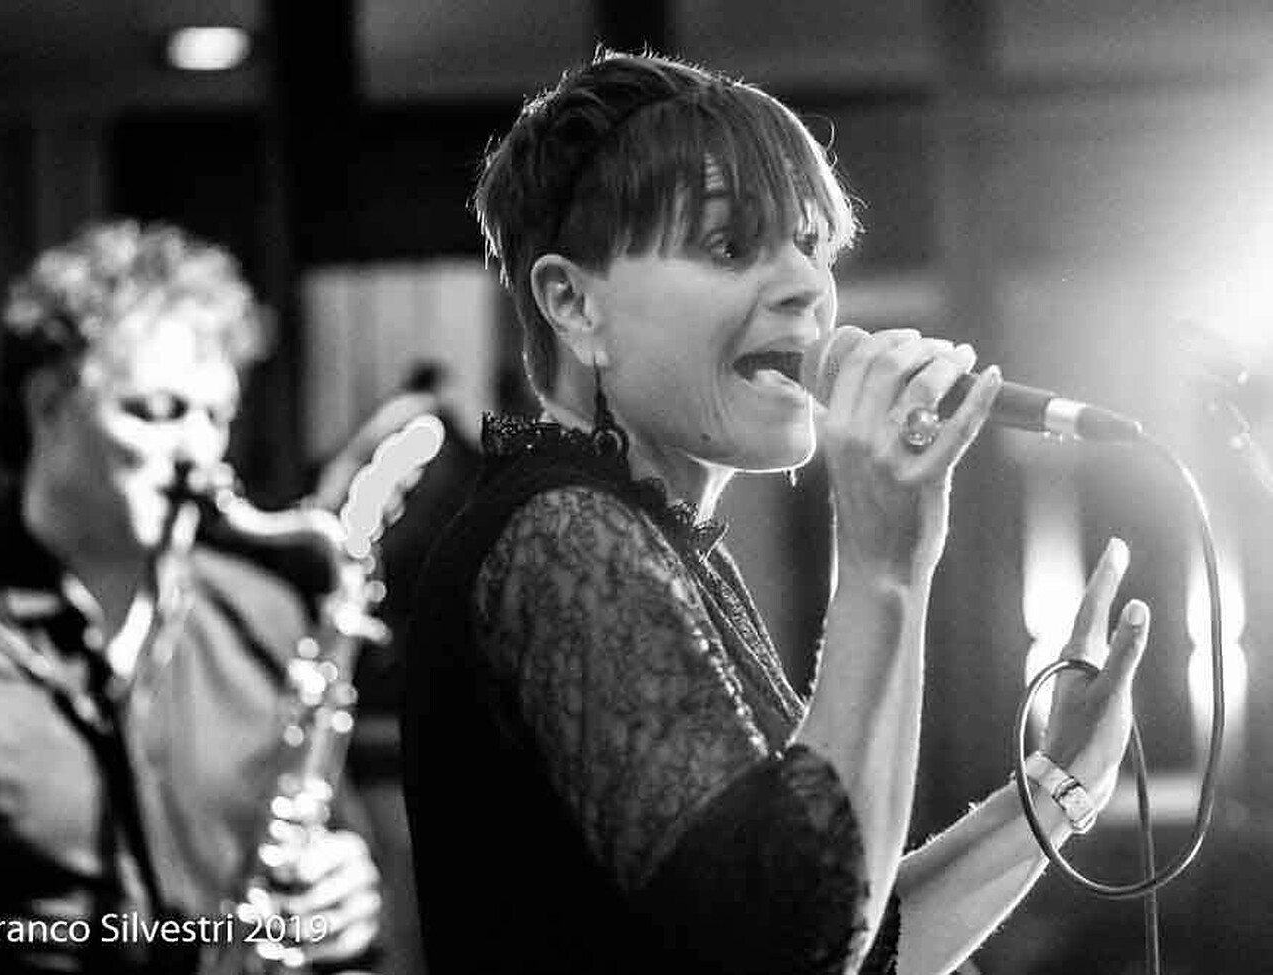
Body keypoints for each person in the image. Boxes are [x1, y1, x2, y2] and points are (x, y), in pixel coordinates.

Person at [399, 50, 1152, 974]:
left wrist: (1056, 786)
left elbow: (861, 942)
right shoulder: (561, 534)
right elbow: (793, 944)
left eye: (811, 245)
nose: (808, 286)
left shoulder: (659, 541)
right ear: (573, 302)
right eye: (730, 246)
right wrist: (881, 566)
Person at [0, 220, 383, 974]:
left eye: (216, 417)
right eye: (158, 412)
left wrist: (344, 904)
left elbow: (333, 851)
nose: (201, 453)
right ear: (47, 404)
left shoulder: (265, 615)